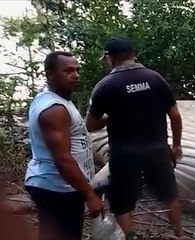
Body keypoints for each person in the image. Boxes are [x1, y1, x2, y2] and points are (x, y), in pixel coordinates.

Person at [85, 36, 184, 238]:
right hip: (157, 150)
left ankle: (130, 237)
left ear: (110, 58)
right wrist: (176, 145)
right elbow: (174, 115)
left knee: (122, 204)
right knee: (170, 197)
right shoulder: (156, 78)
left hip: (124, 155)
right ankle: (179, 234)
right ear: (133, 54)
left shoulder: (105, 85)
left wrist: (113, 114)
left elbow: (91, 125)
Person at [24, 51, 104, 240]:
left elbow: (82, 130)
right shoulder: (54, 109)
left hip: (61, 186)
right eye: (68, 71)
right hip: (57, 188)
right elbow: (63, 159)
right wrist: (90, 195)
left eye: (77, 70)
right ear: (50, 75)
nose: (75, 75)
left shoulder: (60, 101)